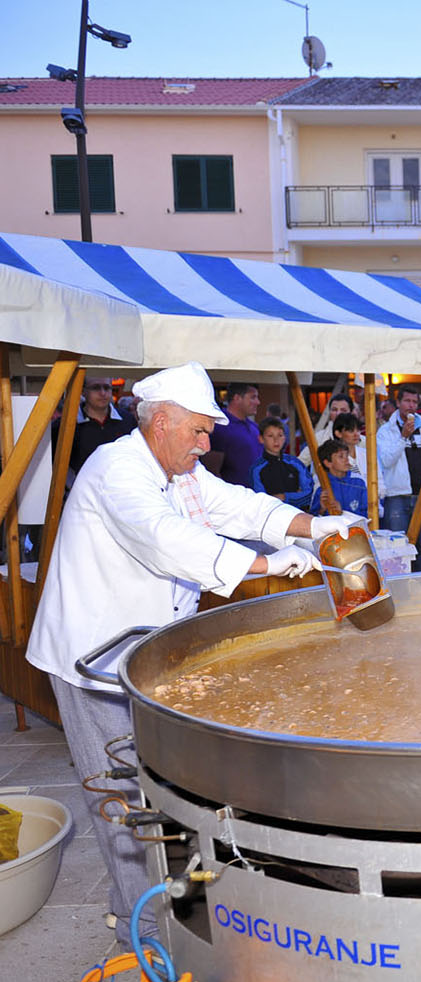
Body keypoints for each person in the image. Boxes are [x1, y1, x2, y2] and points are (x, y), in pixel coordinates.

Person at [26, 362, 362, 951]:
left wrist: (317, 528)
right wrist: (265, 564)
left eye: (210, 432)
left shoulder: (182, 470)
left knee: (155, 784)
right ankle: (147, 926)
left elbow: (244, 507)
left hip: (148, 651)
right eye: (199, 432)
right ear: (161, 423)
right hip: (93, 656)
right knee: (122, 796)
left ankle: (138, 900)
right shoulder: (115, 469)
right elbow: (164, 540)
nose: (207, 444)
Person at [377, 383, 421, 571]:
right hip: (397, 495)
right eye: (407, 401)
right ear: (398, 403)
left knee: (417, 547)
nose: (410, 405)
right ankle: (399, 586)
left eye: (414, 402)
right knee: (396, 548)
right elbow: (386, 460)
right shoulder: (386, 431)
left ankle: (420, 585)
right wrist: (403, 437)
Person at [59, 376, 136, 478]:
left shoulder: (128, 420)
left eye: (107, 388)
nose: (103, 393)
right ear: (83, 392)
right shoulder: (65, 425)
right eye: (95, 388)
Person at [202, 381, 262, 486]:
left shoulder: (255, 427)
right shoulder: (220, 427)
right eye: (253, 397)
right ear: (237, 398)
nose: (258, 402)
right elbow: (211, 470)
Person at [250, 417, 313, 511]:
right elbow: (261, 501)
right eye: (270, 436)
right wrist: (297, 495)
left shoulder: (295, 463)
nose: (276, 440)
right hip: (270, 518)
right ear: (261, 439)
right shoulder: (256, 469)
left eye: (280, 435)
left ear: (285, 437)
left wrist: (285, 497)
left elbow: (309, 494)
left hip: (297, 515)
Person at [311, 438, 368, 515]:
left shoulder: (358, 481)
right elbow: (313, 518)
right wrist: (322, 510)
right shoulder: (321, 485)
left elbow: (369, 514)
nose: (346, 460)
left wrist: (343, 512)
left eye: (347, 455)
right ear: (328, 463)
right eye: (341, 456)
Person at [299, 393, 355, 469]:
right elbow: (301, 462)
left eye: (343, 410)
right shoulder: (319, 438)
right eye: (334, 410)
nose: (338, 413)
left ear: (351, 413)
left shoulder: (361, 440)